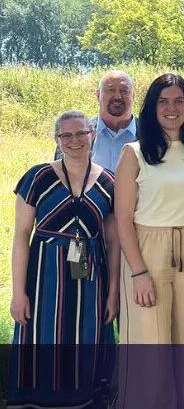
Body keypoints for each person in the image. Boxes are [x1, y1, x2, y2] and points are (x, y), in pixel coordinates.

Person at [9, 110, 119, 408]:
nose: (74, 141)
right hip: (44, 280)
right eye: (66, 135)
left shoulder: (109, 183)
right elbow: (20, 236)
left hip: (91, 282)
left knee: (86, 341)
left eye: (81, 133)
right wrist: (18, 294)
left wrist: (113, 294)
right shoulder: (38, 177)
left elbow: (112, 242)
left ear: (92, 134)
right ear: (57, 139)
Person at [114, 73, 184, 408]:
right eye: (163, 101)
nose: (172, 108)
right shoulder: (135, 153)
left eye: (179, 100)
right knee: (151, 349)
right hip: (148, 250)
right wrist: (139, 273)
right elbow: (123, 218)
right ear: (152, 107)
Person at [54, 70, 136, 171]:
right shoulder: (76, 135)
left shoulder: (152, 134)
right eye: (110, 90)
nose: (118, 96)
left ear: (133, 95)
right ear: (98, 95)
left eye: (124, 91)